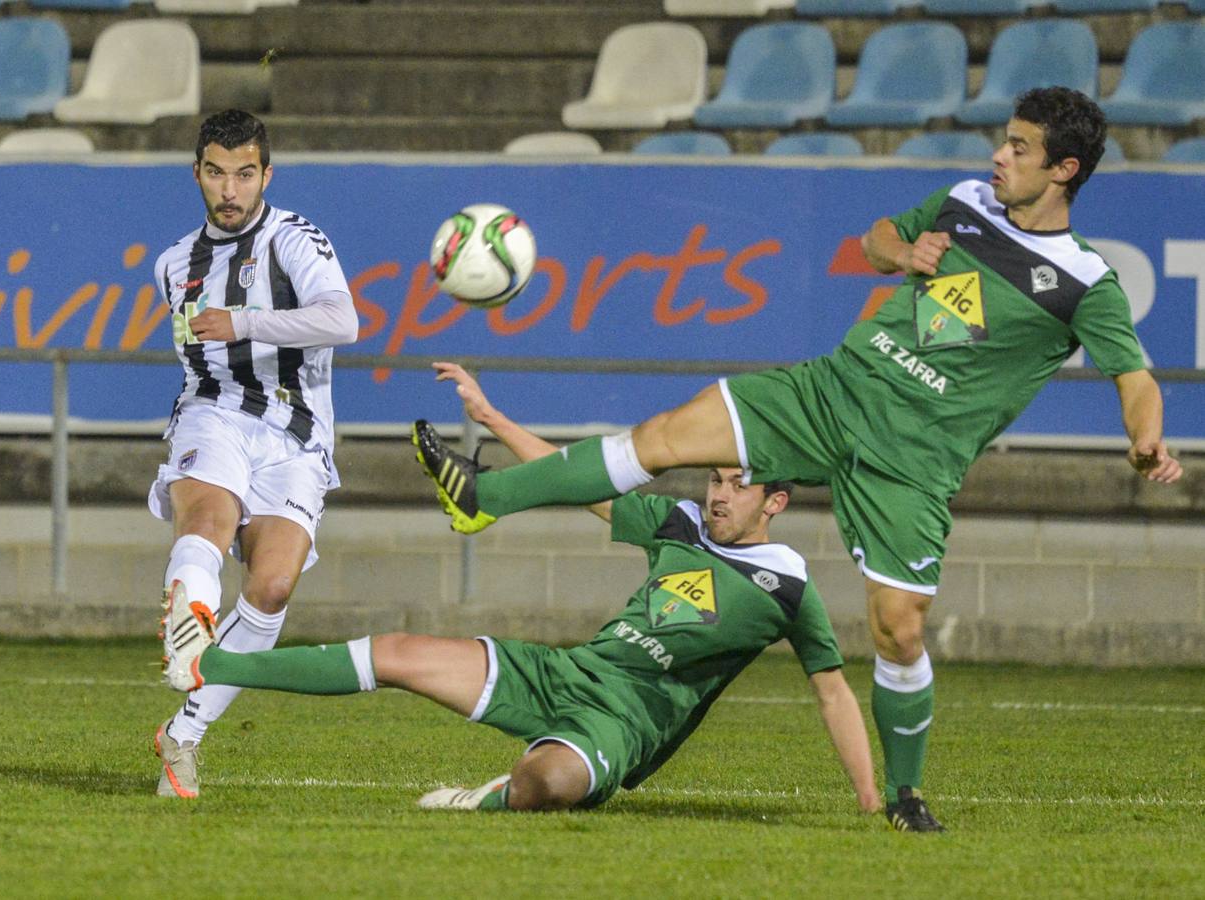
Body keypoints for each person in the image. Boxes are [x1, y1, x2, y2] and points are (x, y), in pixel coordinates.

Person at [412, 87, 1183, 831]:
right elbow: (875, 240)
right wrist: (904, 251)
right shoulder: (965, 202)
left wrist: (1145, 439)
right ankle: (484, 499)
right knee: (666, 436)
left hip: (911, 460)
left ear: (1063, 170)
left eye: (1019, 147)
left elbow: (1136, 378)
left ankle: (905, 795)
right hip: (831, 392)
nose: (999, 155)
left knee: (898, 631)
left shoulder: (1085, 283)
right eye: (1004, 140)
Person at [160, 362, 882, 815]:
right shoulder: (679, 524)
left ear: (775, 501)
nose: (718, 494)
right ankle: (208, 664)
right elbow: (583, 482)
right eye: (715, 478)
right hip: (565, 672)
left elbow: (834, 692)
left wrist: (872, 799)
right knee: (398, 652)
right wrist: (495, 421)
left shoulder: (788, 586)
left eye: (736, 484)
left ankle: (494, 796)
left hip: (622, 725)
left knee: (552, 782)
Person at [148, 109, 358, 798]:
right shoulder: (174, 264)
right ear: (196, 174)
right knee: (208, 520)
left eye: (244, 174)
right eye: (216, 173)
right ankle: (190, 623)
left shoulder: (295, 238)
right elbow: (199, 364)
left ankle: (182, 734)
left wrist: (242, 321)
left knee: (271, 588)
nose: (230, 190)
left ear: (267, 174)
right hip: (213, 415)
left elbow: (342, 320)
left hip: (294, 433)